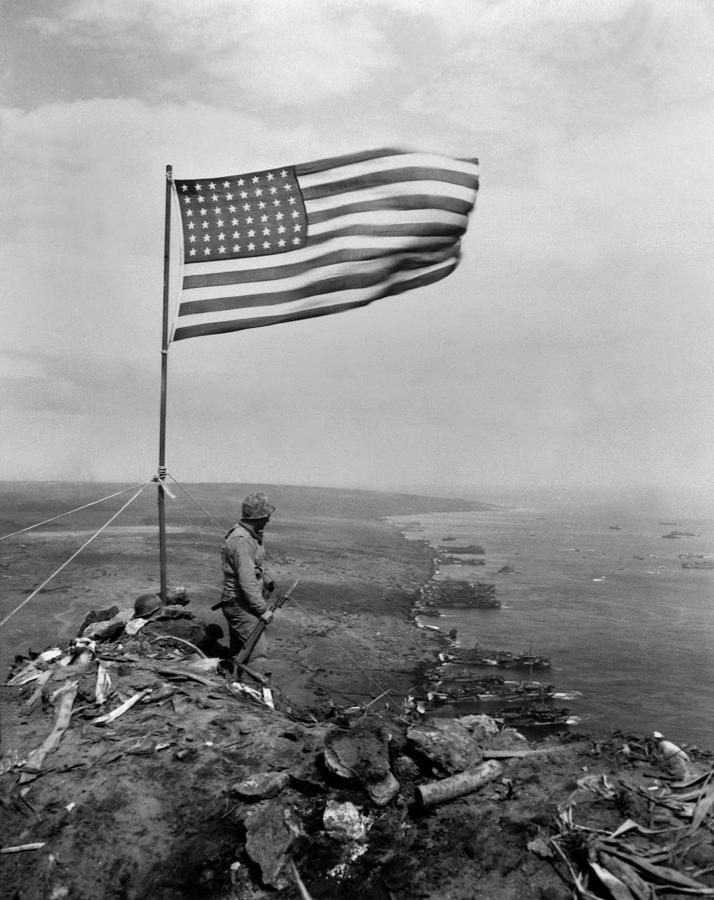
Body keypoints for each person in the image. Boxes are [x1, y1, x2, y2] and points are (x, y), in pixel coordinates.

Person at [219, 492, 276, 675]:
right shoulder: (243, 540)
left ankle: (233, 688)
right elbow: (246, 580)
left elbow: (251, 568)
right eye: (266, 516)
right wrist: (261, 609)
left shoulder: (248, 536)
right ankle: (258, 698)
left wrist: (264, 578)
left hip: (240, 602)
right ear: (259, 517)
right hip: (239, 604)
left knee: (239, 652)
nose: (268, 520)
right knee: (257, 653)